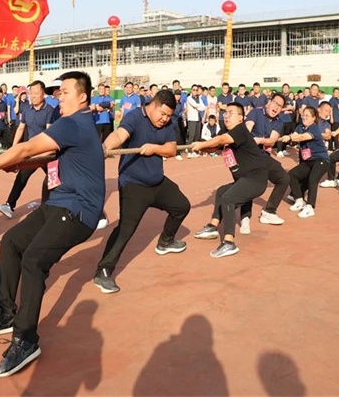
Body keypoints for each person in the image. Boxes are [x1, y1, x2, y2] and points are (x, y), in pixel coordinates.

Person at [0, 71, 104, 378]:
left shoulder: (74, 122)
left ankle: (26, 339)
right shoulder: (72, 125)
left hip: (79, 211)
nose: (59, 97)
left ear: (83, 96)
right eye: (58, 93)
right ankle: (4, 313)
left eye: (65, 92)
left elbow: (28, 147)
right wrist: (18, 163)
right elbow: (44, 156)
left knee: (33, 259)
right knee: (13, 242)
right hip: (57, 204)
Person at [93, 90, 190, 293]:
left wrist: (154, 148)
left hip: (157, 182)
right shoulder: (136, 116)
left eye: (168, 116)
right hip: (134, 184)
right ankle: (103, 272)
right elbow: (120, 134)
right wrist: (105, 148)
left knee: (182, 206)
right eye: (162, 114)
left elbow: (171, 149)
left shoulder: (168, 123)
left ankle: (165, 241)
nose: (164, 119)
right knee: (126, 229)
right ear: (152, 105)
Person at [192, 102, 268, 257]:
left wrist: (201, 145)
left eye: (231, 113)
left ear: (240, 118)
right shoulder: (226, 131)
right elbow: (215, 147)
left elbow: (220, 141)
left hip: (255, 179)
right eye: (225, 113)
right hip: (244, 178)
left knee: (228, 199)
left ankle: (229, 242)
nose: (226, 116)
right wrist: (201, 148)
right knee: (221, 192)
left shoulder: (240, 130)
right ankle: (213, 226)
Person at [0, 80, 54, 219]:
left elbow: (49, 132)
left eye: (36, 93)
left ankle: (59, 205)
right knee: (21, 177)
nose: (32, 96)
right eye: (30, 93)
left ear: (43, 93)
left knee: (54, 179)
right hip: (31, 151)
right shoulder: (27, 108)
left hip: (47, 152)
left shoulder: (50, 110)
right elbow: (21, 128)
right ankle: (9, 205)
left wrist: (45, 153)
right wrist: (14, 148)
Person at [239, 93, 289, 230]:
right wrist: (251, 142)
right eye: (275, 103)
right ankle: (245, 217)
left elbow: (272, 140)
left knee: (283, 178)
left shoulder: (279, 122)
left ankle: (269, 211)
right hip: (249, 155)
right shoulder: (256, 112)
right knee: (249, 184)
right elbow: (247, 130)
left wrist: (259, 140)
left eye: (280, 106)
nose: (276, 107)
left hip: (263, 156)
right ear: (269, 102)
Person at [280, 107, 329, 218]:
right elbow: (297, 133)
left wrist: (290, 137)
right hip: (308, 161)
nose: (304, 117)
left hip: (321, 160)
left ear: (314, 118)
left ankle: (310, 207)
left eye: (307, 115)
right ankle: (299, 200)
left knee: (312, 179)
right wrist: (289, 137)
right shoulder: (300, 126)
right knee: (292, 175)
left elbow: (302, 137)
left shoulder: (314, 128)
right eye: (303, 115)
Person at [185, 84, 205, 152]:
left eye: (197, 90)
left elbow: (203, 107)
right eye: (194, 90)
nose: (195, 91)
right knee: (191, 136)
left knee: (197, 136)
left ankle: (195, 150)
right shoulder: (189, 98)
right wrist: (199, 107)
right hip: (192, 119)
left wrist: (199, 107)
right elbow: (195, 105)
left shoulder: (199, 98)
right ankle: (189, 150)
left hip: (198, 119)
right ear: (191, 90)